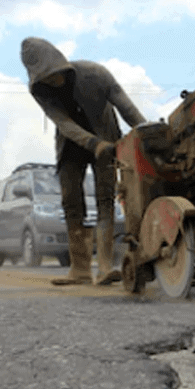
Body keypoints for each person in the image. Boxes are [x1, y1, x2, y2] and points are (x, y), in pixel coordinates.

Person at [20, 37, 146, 286]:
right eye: (45, 78)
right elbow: (63, 123)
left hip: (107, 140)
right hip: (71, 145)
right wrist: (91, 143)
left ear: (62, 64)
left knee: (105, 199)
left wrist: (147, 133)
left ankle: (106, 267)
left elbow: (126, 108)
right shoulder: (40, 91)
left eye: (55, 74)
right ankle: (79, 269)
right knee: (71, 202)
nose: (52, 81)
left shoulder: (95, 74)